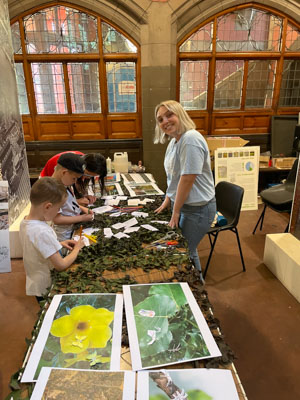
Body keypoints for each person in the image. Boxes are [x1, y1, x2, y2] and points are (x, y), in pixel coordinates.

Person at [154, 100, 216, 282]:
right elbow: (174, 178)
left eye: (169, 115)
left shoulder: (190, 139)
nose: (165, 121)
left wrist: (176, 210)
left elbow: (188, 178)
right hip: (185, 206)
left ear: (180, 114)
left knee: (186, 252)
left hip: (198, 209)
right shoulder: (174, 142)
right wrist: (167, 200)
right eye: (160, 119)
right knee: (187, 248)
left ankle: (198, 290)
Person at [19, 177, 85, 303]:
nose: (58, 212)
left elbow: (35, 245)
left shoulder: (26, 221)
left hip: (36, 280)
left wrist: (58, 244)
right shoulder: (42, 231)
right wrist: (77, 248)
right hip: (48, 285)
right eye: (58, 208)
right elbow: (61, 265)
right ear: (48, 207)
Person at [51, 152, 94, 242]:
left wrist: (82, 208)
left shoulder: (64, 183)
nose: (75, 182)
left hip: (71, 228)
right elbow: (57, 219)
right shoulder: (54, 191)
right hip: (64, 235)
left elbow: (70, 203)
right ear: (64, 173)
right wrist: (82, 218)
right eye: (74, 178)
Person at [40, 151, 107, 205]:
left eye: (92, 177)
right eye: (87, 175)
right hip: (47, 180)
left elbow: (76, 185)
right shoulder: (64, 166)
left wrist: (84, 196)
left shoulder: (83, 162)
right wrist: (75, 202)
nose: (87, 178)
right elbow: (56, 201)